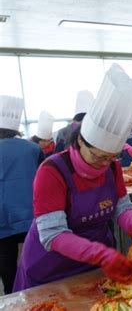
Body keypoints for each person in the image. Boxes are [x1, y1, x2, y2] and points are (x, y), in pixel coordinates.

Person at [13, 64, 132, 292]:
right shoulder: (52, 171)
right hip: (52, 272)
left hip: (96, 268)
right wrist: (100, 254)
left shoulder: (112, 166)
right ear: (79, 142)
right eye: (98, 156)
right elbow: (53, 235)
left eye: (112, 157)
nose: (104, 164)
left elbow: (122, 207)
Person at [0, 95, 42, 294]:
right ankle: (38, 294)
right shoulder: (33, 149)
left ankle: (11, 298)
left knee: (6, 263)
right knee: (34, 259)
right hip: (30, 215)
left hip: (2, 219)